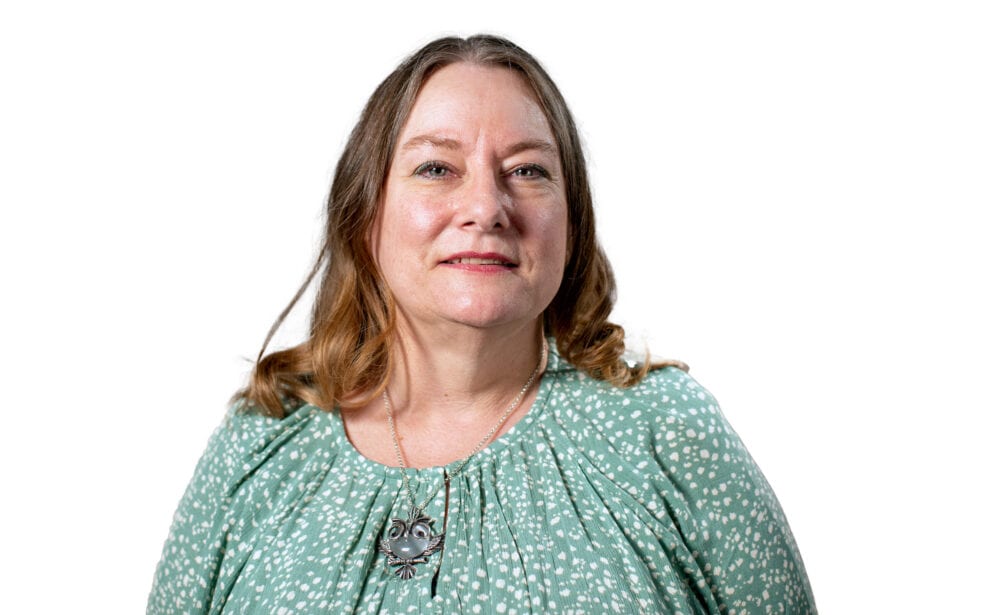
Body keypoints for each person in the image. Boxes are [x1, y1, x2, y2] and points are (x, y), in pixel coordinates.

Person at [148, 35, 816, 614]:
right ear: (365, 211)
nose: (486, 206)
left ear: (571, 221)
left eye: (528, 171)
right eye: (436, 167)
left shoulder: (668, 437)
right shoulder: (258, 449)